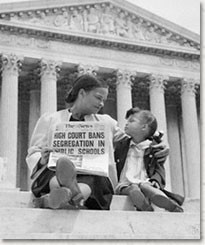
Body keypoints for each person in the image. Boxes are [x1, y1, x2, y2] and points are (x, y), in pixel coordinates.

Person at [26, 74, 169, 210]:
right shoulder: (50, 120)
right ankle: (71, 194)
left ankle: (60, 196)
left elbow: (133, 140)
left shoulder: (107, 123)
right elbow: (34, 152)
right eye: (98, 98)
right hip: (55, 170)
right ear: (82, 93)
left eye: (104, 100)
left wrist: (156, 144)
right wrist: (42, 160)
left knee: (95, 178)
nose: (101, 104)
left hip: (93, 176)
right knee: (56, 172)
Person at [114, 107, 184, 212]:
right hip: (125, 183)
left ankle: (165, 201)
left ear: (144, 127)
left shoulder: (154, 148)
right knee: (132, 189)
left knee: (146, 187)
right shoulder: (122, 145)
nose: (126, 124)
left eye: (131, 121)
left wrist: (156, 180)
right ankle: (145, 206)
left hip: (145, 181)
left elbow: (159, 168)